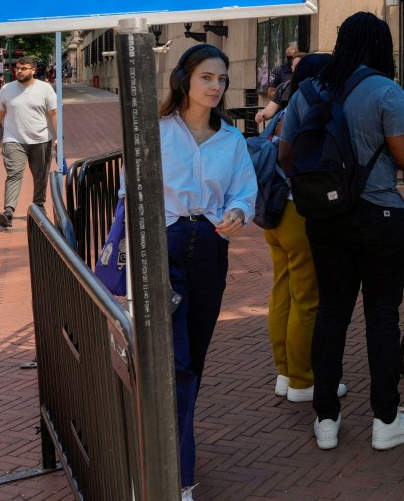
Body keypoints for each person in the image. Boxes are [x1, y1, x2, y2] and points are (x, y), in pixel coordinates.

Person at [278, 12, 404, 452]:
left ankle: (326, 418)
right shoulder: (385, 90)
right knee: (382, 316)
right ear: (380, 46)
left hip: (324, 219)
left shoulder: (307, 92)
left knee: (331, 314)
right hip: (379, 216)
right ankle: (386, 420)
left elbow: (287, 157)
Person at [156, 43, 257, 500]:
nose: (216, 87)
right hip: (165, 245)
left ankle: (171, 445)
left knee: (192, 359)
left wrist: (236, 213)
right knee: (175, 362)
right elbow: (128, 193)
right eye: (207, 78)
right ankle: (179, 476)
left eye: (222, 79)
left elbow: (244, 193)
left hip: (210, 251)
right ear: (184, 78)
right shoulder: (156, 132)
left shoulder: (232, 140)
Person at [264, 53, 346, 403]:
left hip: (273, 212)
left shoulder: (282, 111)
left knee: (281, 291)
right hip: (299, 212)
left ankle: (284, 372)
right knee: (307, 300)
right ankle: (302, 380)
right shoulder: (316, 103)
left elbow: (280, 156)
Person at [0, 57, 57, 229]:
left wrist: (59, 137)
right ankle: (8, 212)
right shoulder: (7, 89)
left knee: (40, 176)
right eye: (17, 68)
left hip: (41, 139)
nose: (19, 71)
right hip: (13, 139)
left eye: (24, 68)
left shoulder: (45, 88)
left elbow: (54, 114)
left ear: (33, 70)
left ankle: (39, 205)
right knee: (14, 174)